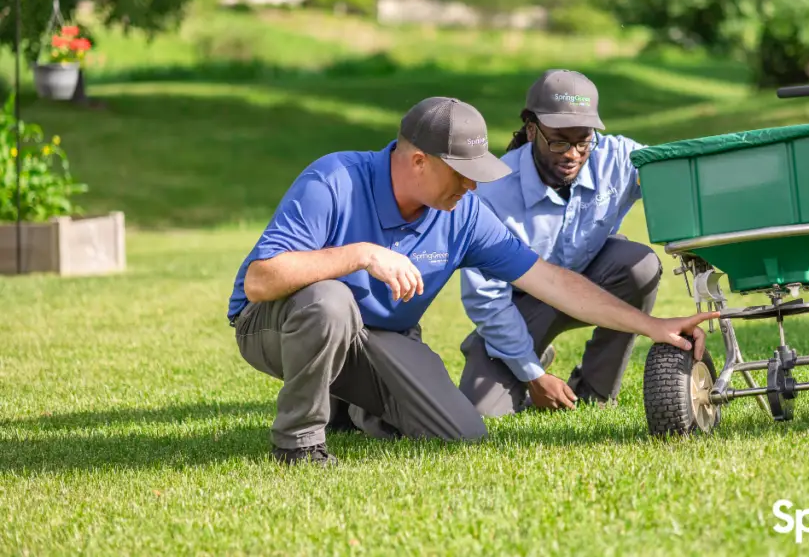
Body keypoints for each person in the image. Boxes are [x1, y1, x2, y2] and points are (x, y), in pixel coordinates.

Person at [227, 96, 716, 466]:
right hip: (276, 326)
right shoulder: (333, 179)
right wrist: (360, 255)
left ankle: (348, 405)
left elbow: (552, 282)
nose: (471, 186)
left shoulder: (462, 213)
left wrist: (653, 326)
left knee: (461, 433)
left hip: (381, 336)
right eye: (461, 173)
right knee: (330, 300)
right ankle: (299, 443)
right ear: (418, 159)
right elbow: (260, 281)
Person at [459, 69, 662, 416]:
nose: (572, 154)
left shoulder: (614, 156)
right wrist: (533, 375)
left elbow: (675, 173)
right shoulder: (490, 192)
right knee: (481, 413)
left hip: (592, 283)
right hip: (521, 307)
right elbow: (487, 300)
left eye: (583, 141)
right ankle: (531, 354)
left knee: (639, 265)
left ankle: (595, 390)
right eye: (559, 141)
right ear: (532, 130)